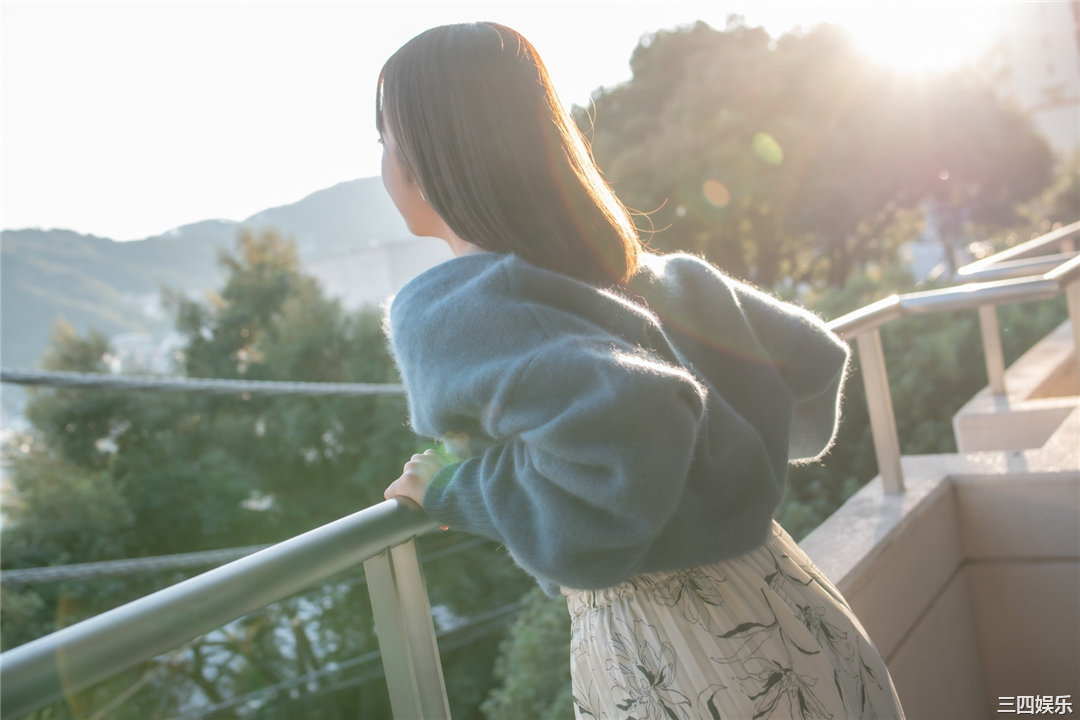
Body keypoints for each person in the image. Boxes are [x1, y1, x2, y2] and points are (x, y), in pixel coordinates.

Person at [378, 21, 904, 719]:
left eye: (385, 138)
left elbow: (634, 430)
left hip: (680, 658)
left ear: (423, 159)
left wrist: (455, 487)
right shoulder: (668, 281)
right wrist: (726, 468)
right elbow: (812, 361)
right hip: (795, 609)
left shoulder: (459, 308)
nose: (383, 162)